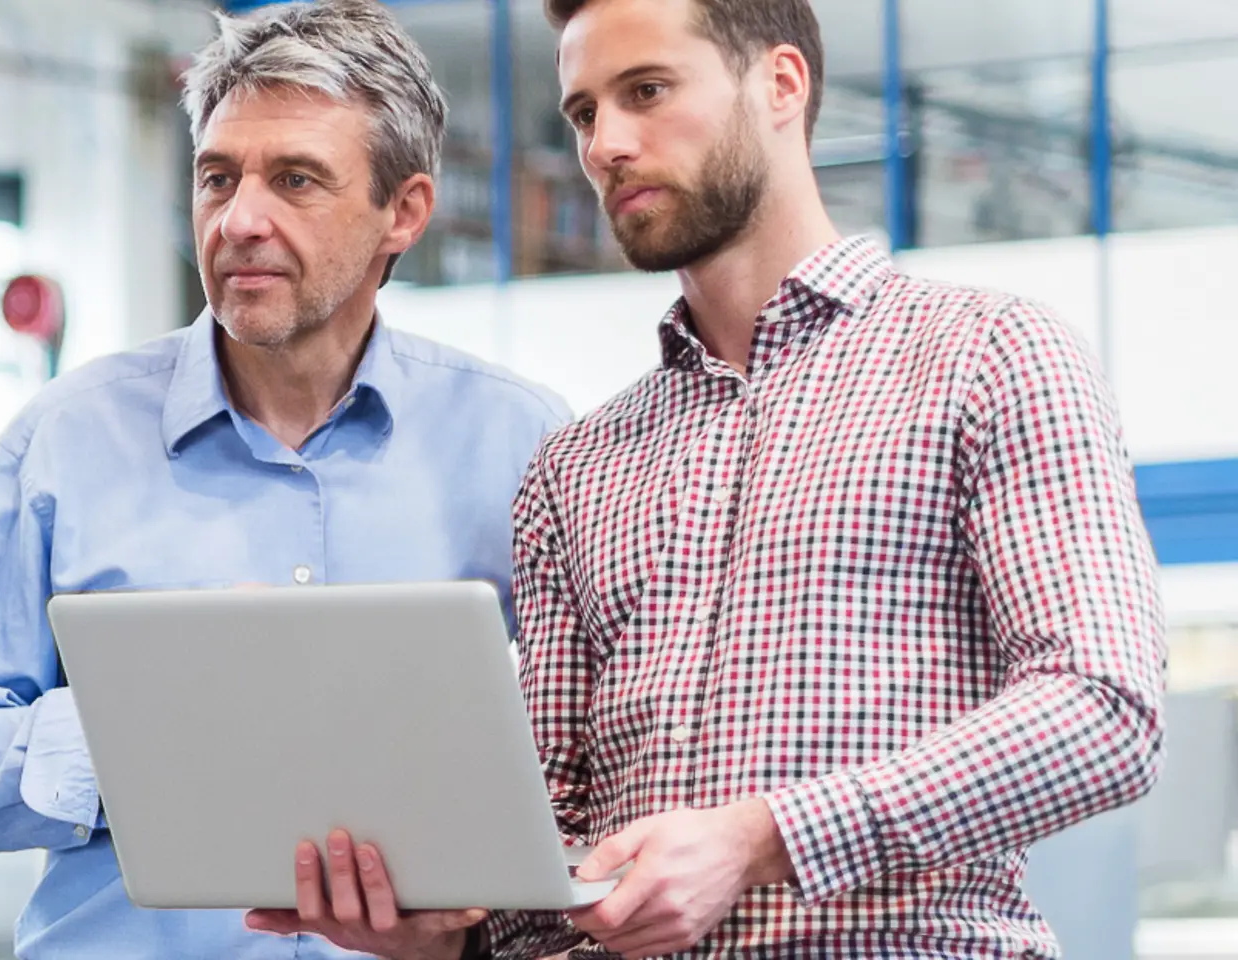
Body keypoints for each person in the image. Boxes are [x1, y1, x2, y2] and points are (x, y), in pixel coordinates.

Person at [245, 0, 1167, 957]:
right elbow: (547, 849)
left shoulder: (990, 356)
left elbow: (1106, 710)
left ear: (780, 84)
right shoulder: (578, 463)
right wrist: (436, 925)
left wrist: (759, 839)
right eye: (585, 114)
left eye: (645, 91)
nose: (605, 146)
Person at [0, 2, 570, 957]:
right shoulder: (64, 441)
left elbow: (594, 767)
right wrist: (154, 720)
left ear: (403, 212)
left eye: (295, 180)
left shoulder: (524, 443)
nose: (240, 220)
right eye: (216, 178)